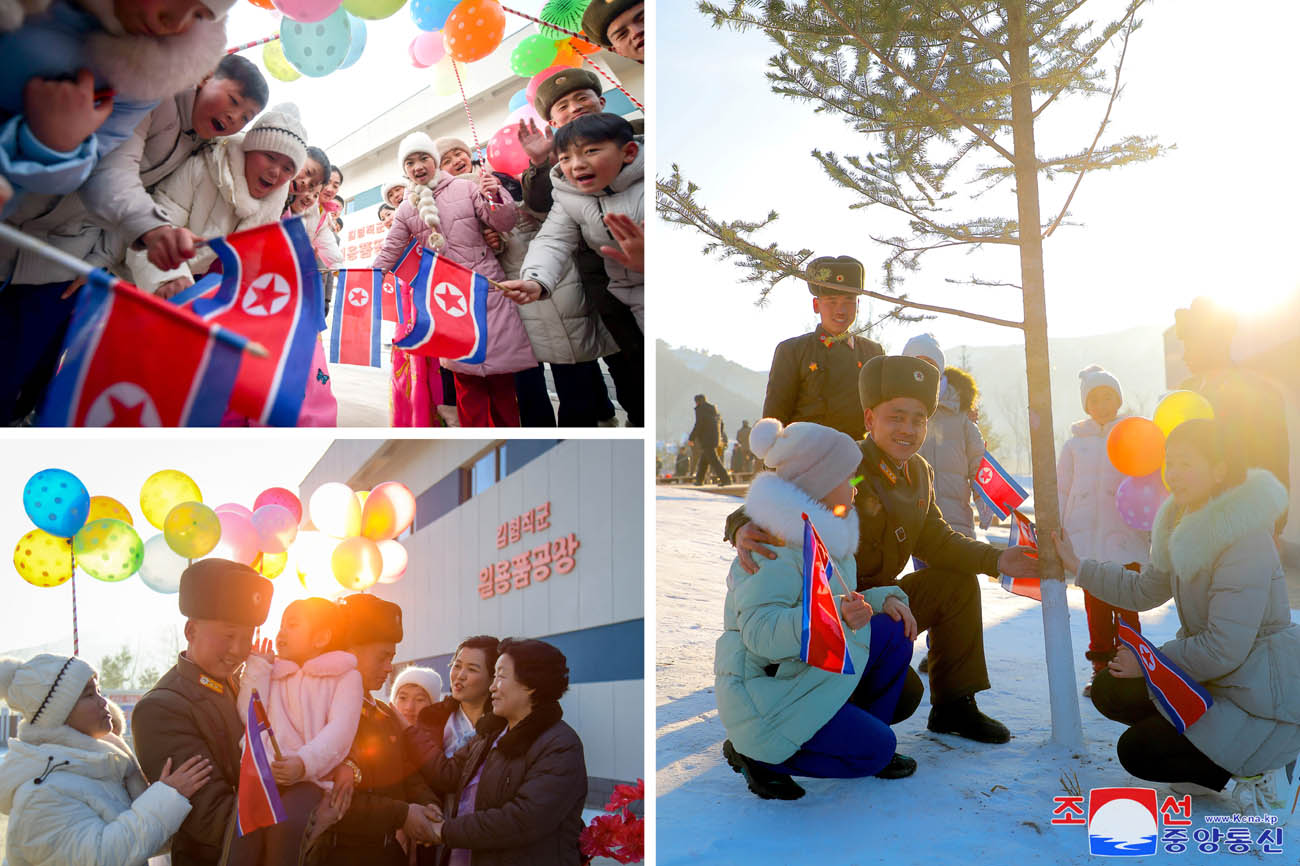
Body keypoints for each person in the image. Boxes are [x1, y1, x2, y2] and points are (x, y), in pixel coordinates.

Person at [729, 355, 1042, 743]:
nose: (908, 429)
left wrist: (997, 559)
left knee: (956, 585)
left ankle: (955, 706)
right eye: (896, 417)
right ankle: (812, 713)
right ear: (869, 419)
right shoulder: (853, 468)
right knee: (903, 696)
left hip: (884, 598)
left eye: (918, 419)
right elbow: (791, 498)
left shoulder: (920, 473)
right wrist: (742, 524)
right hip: (838, 611)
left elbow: (936, 539)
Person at [0, 0, 237, 424]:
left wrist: (149, 231)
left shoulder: (139, 81)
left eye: (200, 15)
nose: (174, 22)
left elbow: (102, 171)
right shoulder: (164, 102)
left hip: (57, 260)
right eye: (234, 100)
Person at [1055, 419, 1300, 818]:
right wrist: (1080, 567)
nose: (1174, 474)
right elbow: (1144, 589)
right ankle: (1201, 755)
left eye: (1187, 464)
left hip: (1259, 692)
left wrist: (1150, 662)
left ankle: (1259, 768)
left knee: (1138, 751)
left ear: (1219, 469)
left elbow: (1225, 648)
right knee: (1109, 689)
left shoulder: (1244, 537)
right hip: (1217, 676)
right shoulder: (1181, 519)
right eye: (1171, 463)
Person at [716, 419, 919, 801]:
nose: (856, 487)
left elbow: (837, 597)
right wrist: (837, 614)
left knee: (893, 631)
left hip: (805, 671)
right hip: (770, 695)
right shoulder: (771, 546)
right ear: (820, 482)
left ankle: (856, 732)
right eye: (850, 478)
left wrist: (881, 600)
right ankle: (760, 759)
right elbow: (760, 635)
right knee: (877, 750)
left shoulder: (824, 529)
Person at [373, 131, 533, 428]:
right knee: (466, 386)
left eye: (423, 158)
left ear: (434, 161)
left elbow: (504, 222)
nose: (418, 166)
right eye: (410, 162)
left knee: (502, 385)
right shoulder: (407, 208)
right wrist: (367, 275)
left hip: (487, 291)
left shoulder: (465, 188)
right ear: (405, 170)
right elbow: (391, 249)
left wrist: (495, 195)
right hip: (448, 299)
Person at [516, 68, 644, 427]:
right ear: (553, 123)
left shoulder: (645, 143)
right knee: (627, 364)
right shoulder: (563, 180)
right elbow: (551, 232)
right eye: (563, 106)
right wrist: (536, 279)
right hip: (598, 281)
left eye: (581, 99)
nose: (574, 108)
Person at [0, 653, 212, 866]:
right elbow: (101, 857)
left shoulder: (100, 770)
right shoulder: (40, 794)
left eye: (99, 691)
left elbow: (144, 844)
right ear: (59, 713)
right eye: (88, 695)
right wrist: (166, 798)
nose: (103, 702)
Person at [132, 558, 275, 866]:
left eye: (248, 636)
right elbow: (213, 818)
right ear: (190, 630)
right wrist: (300, 822)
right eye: (228, 635)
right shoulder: (162, 708)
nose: (239, 650)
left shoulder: (241, 686)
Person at [414, 638, 587, 866]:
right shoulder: (490, 734)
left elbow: (523, 819)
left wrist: (444, 830)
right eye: (494, 677)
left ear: (530, 684)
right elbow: (448, 776)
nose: (493, 686)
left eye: (501, 677)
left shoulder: (560, 744)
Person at [123, 103, 307, 296]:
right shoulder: (203, 168)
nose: (275, 172)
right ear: (248, 149)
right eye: (270, 157)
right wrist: (170, 279)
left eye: (287, 169)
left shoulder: (272, 209)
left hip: (198, 293)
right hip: (135, 282)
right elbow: (153, 225)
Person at [232, 597, 363, 865]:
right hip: (264, 778)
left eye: (292, 625)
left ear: (321, 637)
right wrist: (258, 667)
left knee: (288, 828)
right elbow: (249, 713)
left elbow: (340, 731)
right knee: (241, 835)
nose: (282, 632)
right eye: (281, 625)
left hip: (310, 781)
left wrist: (303, 764)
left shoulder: (345, 676)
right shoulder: (272, 672)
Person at [315, 593, 441, 866]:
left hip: (388, 853)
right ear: (349, 654)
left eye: (392, 657)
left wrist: (427, 803)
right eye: (382, 657)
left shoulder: (385, 712)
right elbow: (331, 796)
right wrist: (403, 814)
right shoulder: (322, 711)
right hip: (341, 855)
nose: (388, 668)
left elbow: (407, 772)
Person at [502, 114, 644, 331]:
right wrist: (535, 280)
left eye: (590, 151)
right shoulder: (568, 194)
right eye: (566, 158)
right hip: (635, 301)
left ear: (629, 152)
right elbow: (552, 240)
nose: (576, 165)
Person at [1057, 364, 1147, 697]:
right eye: (1095, 397)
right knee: (1096, 611)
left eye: (1109, 395)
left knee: (1127, 607)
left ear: (1119, 399)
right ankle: (1100, 672)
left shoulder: (1133, 436)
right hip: (1086, 544)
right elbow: (1061, 489)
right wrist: (1057, 527)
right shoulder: (1074, 445)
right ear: (1086, 404)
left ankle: (1133, 670)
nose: (1103, 403)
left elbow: (1147, 480)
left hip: (1125, 537)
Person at [1176, 297, 1290, 534]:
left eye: (1190, 345)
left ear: (1212, 342)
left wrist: (1275, 524)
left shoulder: (1257, 392)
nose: (1184, 355)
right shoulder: (1184, 392)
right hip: (1190, 526)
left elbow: (1274, 462)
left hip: (1240, 526)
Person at [763, 255, 885, 440]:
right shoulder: (793, 351)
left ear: (858, 305)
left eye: (848, 300)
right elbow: (775, 418)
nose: (840, 310)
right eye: (832, 301)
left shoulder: (872, 353)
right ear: (816, 305)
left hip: (858, 459)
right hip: (805, 458)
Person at [690, 393, 730, 486]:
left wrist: (691, 438)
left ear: (697, 402)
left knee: (714, 461)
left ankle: (726, 480)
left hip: (707, 440)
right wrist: (719, 436)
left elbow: (699, 424)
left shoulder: (701, 410)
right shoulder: (714, 410)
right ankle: (699, 480)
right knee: (704, 461)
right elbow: (722, 424)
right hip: (715, 439)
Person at [391, 664, 444, 729]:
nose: (409, 707)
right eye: (403, 698)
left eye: (419, 699)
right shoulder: (381, 731)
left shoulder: (444, 736)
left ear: (433, 705)